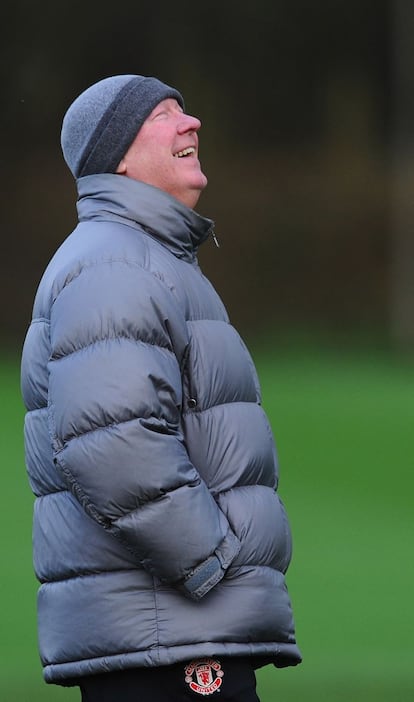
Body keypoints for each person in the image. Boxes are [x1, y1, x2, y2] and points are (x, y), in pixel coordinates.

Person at [20, 74, 302, 702]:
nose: (191, 122)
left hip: (173, 632)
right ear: (116, 152)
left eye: (186, 109)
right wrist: (210, 564)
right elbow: (113, 445)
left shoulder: (146, 256)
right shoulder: (115, 264)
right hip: (170, 636)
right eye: (164, 114)